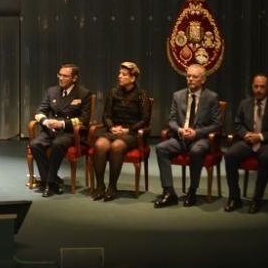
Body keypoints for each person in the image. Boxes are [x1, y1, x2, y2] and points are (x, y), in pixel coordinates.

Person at [153, 63, 221, 208]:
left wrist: (197, 133)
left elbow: (216, 124)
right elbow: (171, 119)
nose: (190, 79)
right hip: (181, 137)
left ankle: (192, 191)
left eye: (194, 77)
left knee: (196, 151)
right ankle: (168, 191)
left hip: (200, 139)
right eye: (188, 76)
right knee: (160, 148)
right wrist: (179, 130)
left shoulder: (211, 97)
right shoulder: (177, 95)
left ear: (203, 80)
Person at [89, 61, 151, 201]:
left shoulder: (141, 94)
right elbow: (106, 115)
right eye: (119, 73)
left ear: (133, 78)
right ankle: (100, 186)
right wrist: (112, 127)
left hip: (132, 133)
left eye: (123, 74)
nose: (119, 76)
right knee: (100, 145)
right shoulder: (113, 92)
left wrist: (128, 130)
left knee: (116, 146)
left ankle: (112, 186)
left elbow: (145, 119)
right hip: (114, 129)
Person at [29, 64, 93, 197]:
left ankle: (49, 183)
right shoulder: (51, 91)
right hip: (51, 129)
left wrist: (62, 124)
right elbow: (40, 111)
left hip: (70, 132)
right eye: (60, 75)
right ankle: (52, 180)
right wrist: (46, 122)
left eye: (65, 76)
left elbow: (84, 119)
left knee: (58, 144)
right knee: (35, 144)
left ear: (74, 78)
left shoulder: (83, 94)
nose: (61, 78)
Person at [223, 73, 268, 213]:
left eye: (262, 87)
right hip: (248, 141)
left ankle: (257, 199)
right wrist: (245, 134)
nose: (258, 90)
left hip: (267, 142)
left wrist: (261, 136)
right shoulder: (244, 104)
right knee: (230, 155)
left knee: (266, 158)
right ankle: (235, 197)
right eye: (256, 86)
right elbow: (238, 123)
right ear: (252, 87)